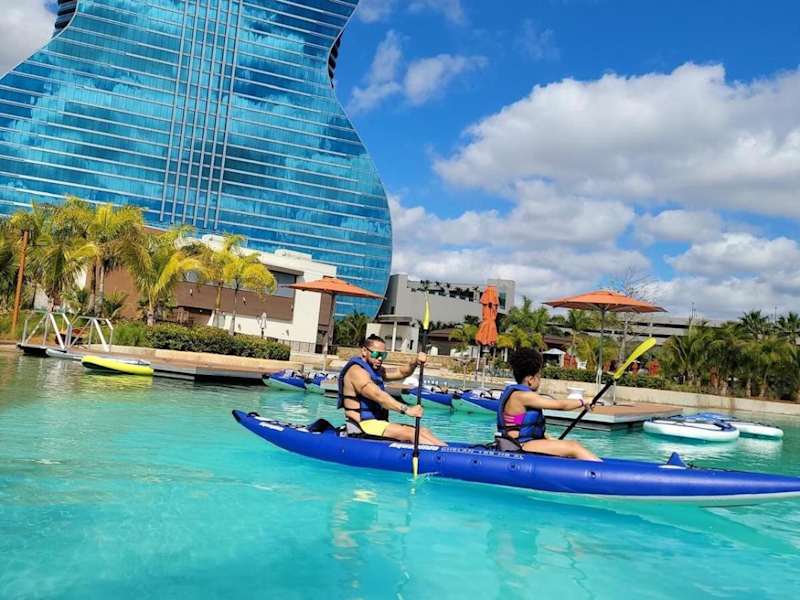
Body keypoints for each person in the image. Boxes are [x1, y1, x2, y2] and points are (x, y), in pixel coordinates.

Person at [338, 334, 446, 446]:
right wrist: (406, 409)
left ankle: (446, 450)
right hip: (362, 426)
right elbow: (378, 396)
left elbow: (401, 372)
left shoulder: (376, 370)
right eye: (376, 354)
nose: (380, 358)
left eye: (383, 355)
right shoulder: (356, 372)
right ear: (364, 351)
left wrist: (415, 362)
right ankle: (443, 453)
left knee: (423, 431)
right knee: (411, 433)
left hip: (377, 424)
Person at [496, 348, 600, 461]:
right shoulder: (523, 396)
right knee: (573, 447)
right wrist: (583, 401)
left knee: (565, 445)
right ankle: (601, 469)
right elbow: (560, 405)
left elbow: (520, 424)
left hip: (522, 443)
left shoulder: (516, 394)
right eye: (539, 377)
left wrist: (548, 439)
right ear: (531, 379)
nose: (540, 381)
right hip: (519, 446)